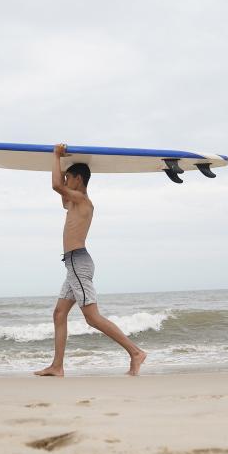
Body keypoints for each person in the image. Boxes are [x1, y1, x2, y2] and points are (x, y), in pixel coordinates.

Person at [34, 143, 147, 377]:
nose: (65, 181)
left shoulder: (83, 200)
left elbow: (56, 186)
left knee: (92, 317)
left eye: (68, 178)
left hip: (78, 263)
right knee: (59, 314)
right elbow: (60, 190)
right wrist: (60, 163)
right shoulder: (74, 201)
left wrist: (56, 156)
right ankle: (57, 366)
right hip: (73, 264)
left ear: (77, 179)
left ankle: (135, 352)